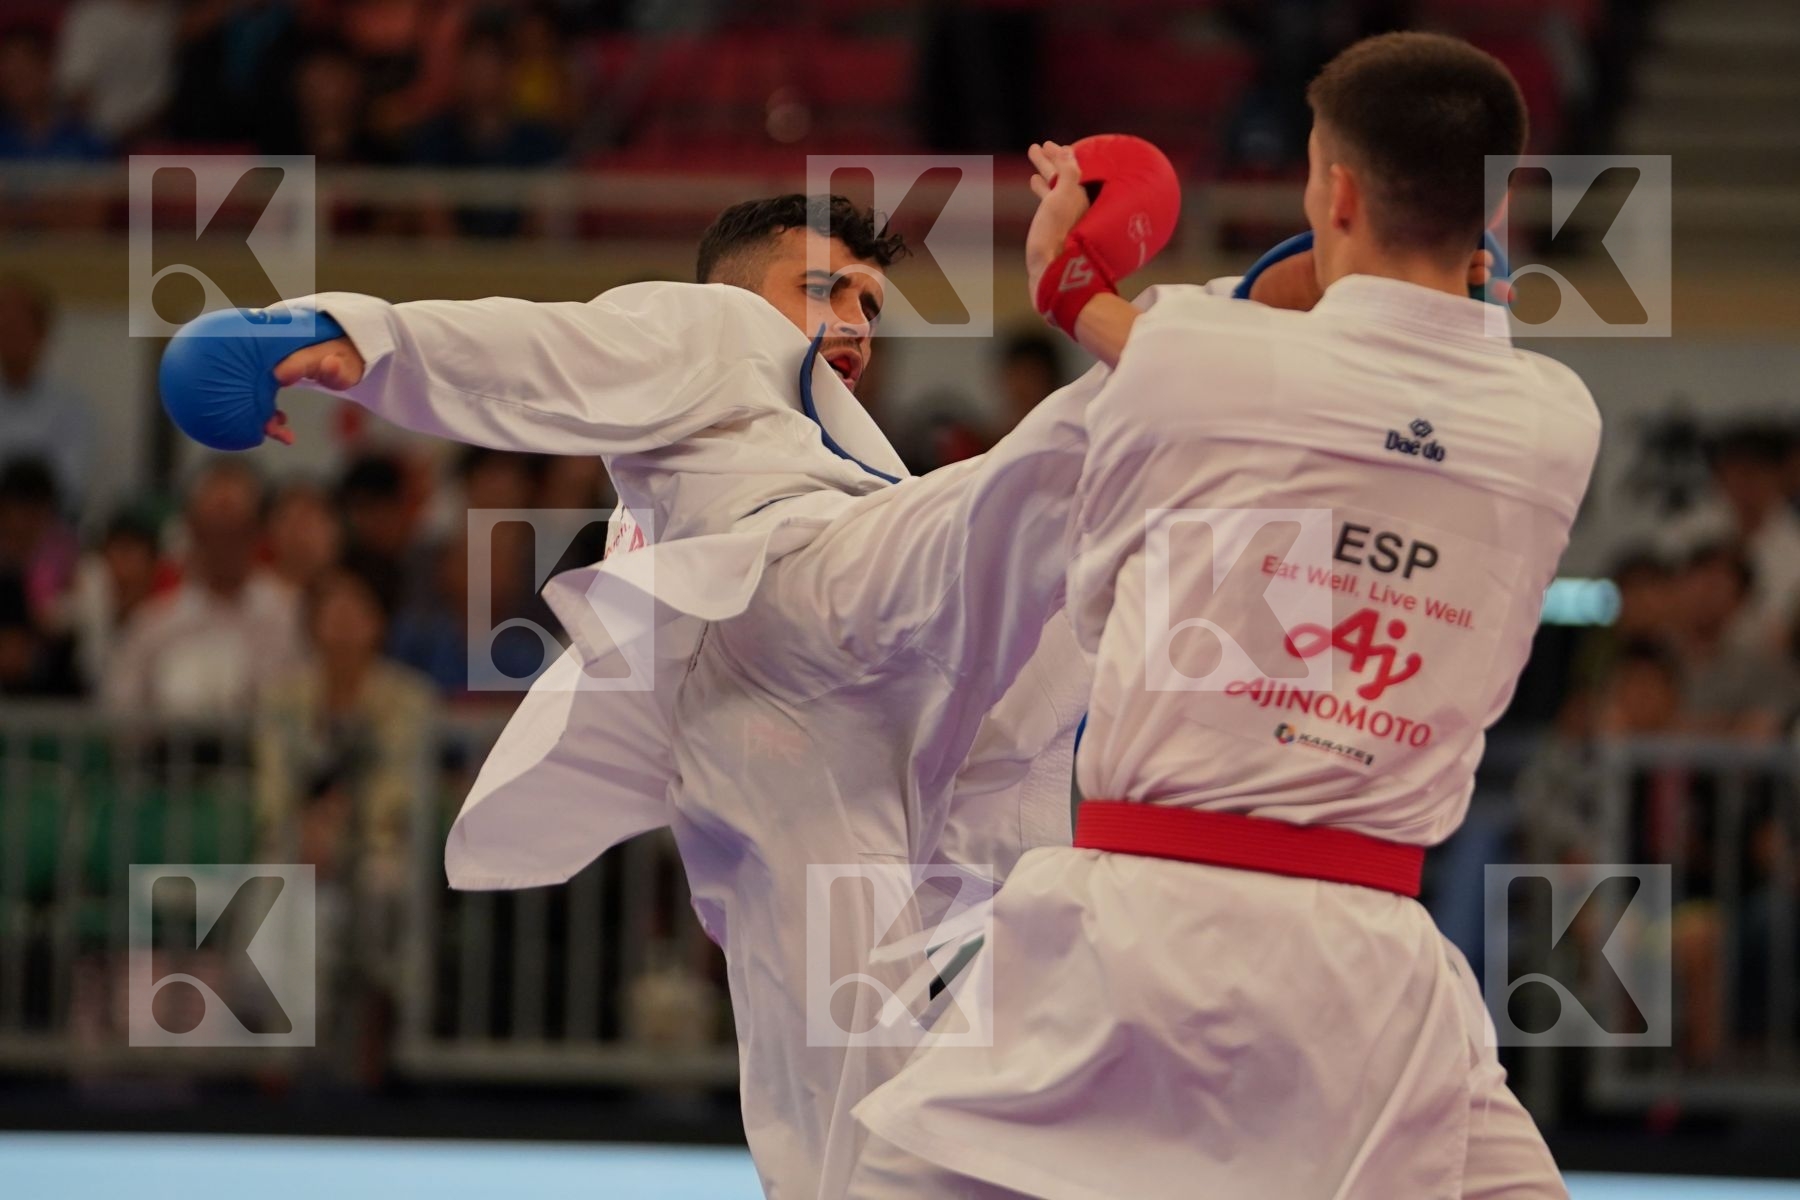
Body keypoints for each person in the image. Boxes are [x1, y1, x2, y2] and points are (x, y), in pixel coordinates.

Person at [157, 177, 1182, 1196]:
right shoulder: (717, 332)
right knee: (1044, 476)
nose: (856, 319)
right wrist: (358, 335)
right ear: (741, 290)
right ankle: (1216, 344)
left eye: (870, 301)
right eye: (827, 287)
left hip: (792, 742)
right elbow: (545, 353)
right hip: (791, 596)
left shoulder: (848, 452)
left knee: (848, 1065)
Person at [853, 34, 1602, 1199]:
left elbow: (1099, 597)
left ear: (1335, 191)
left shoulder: (1197, 358)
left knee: (901, 1174)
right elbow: (1406, 371)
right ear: (1495, 205)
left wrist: (1068, 282)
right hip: (1375, 960)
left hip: (1140, 930)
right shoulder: (1558, 424)